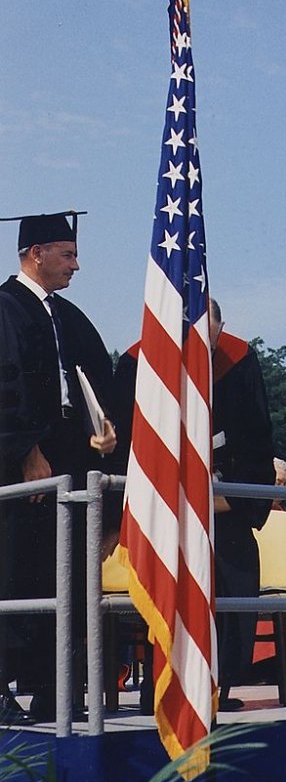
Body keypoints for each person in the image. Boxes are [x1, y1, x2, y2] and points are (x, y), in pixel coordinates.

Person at [114, 298, 274, 711]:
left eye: (212, 336)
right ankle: (160, 685)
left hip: (224, 499)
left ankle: (217, 685)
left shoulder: (238, 360)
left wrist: (234, 498)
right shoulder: (138, 361)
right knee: (164, 589)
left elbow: (257, 439)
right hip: (163, 504)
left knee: (236, 581)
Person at [0, 211, 117, 723]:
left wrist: (104, 430)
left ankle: (55, 685)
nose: (76, 265)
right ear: (35, 254)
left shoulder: (66, 316)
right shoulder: (5, 308)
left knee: (63, 573)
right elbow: (7, 386)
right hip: (19, 463)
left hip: (69, 457)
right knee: (12, 572)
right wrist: (25, 451)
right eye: (66, 254)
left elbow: (94, 383)